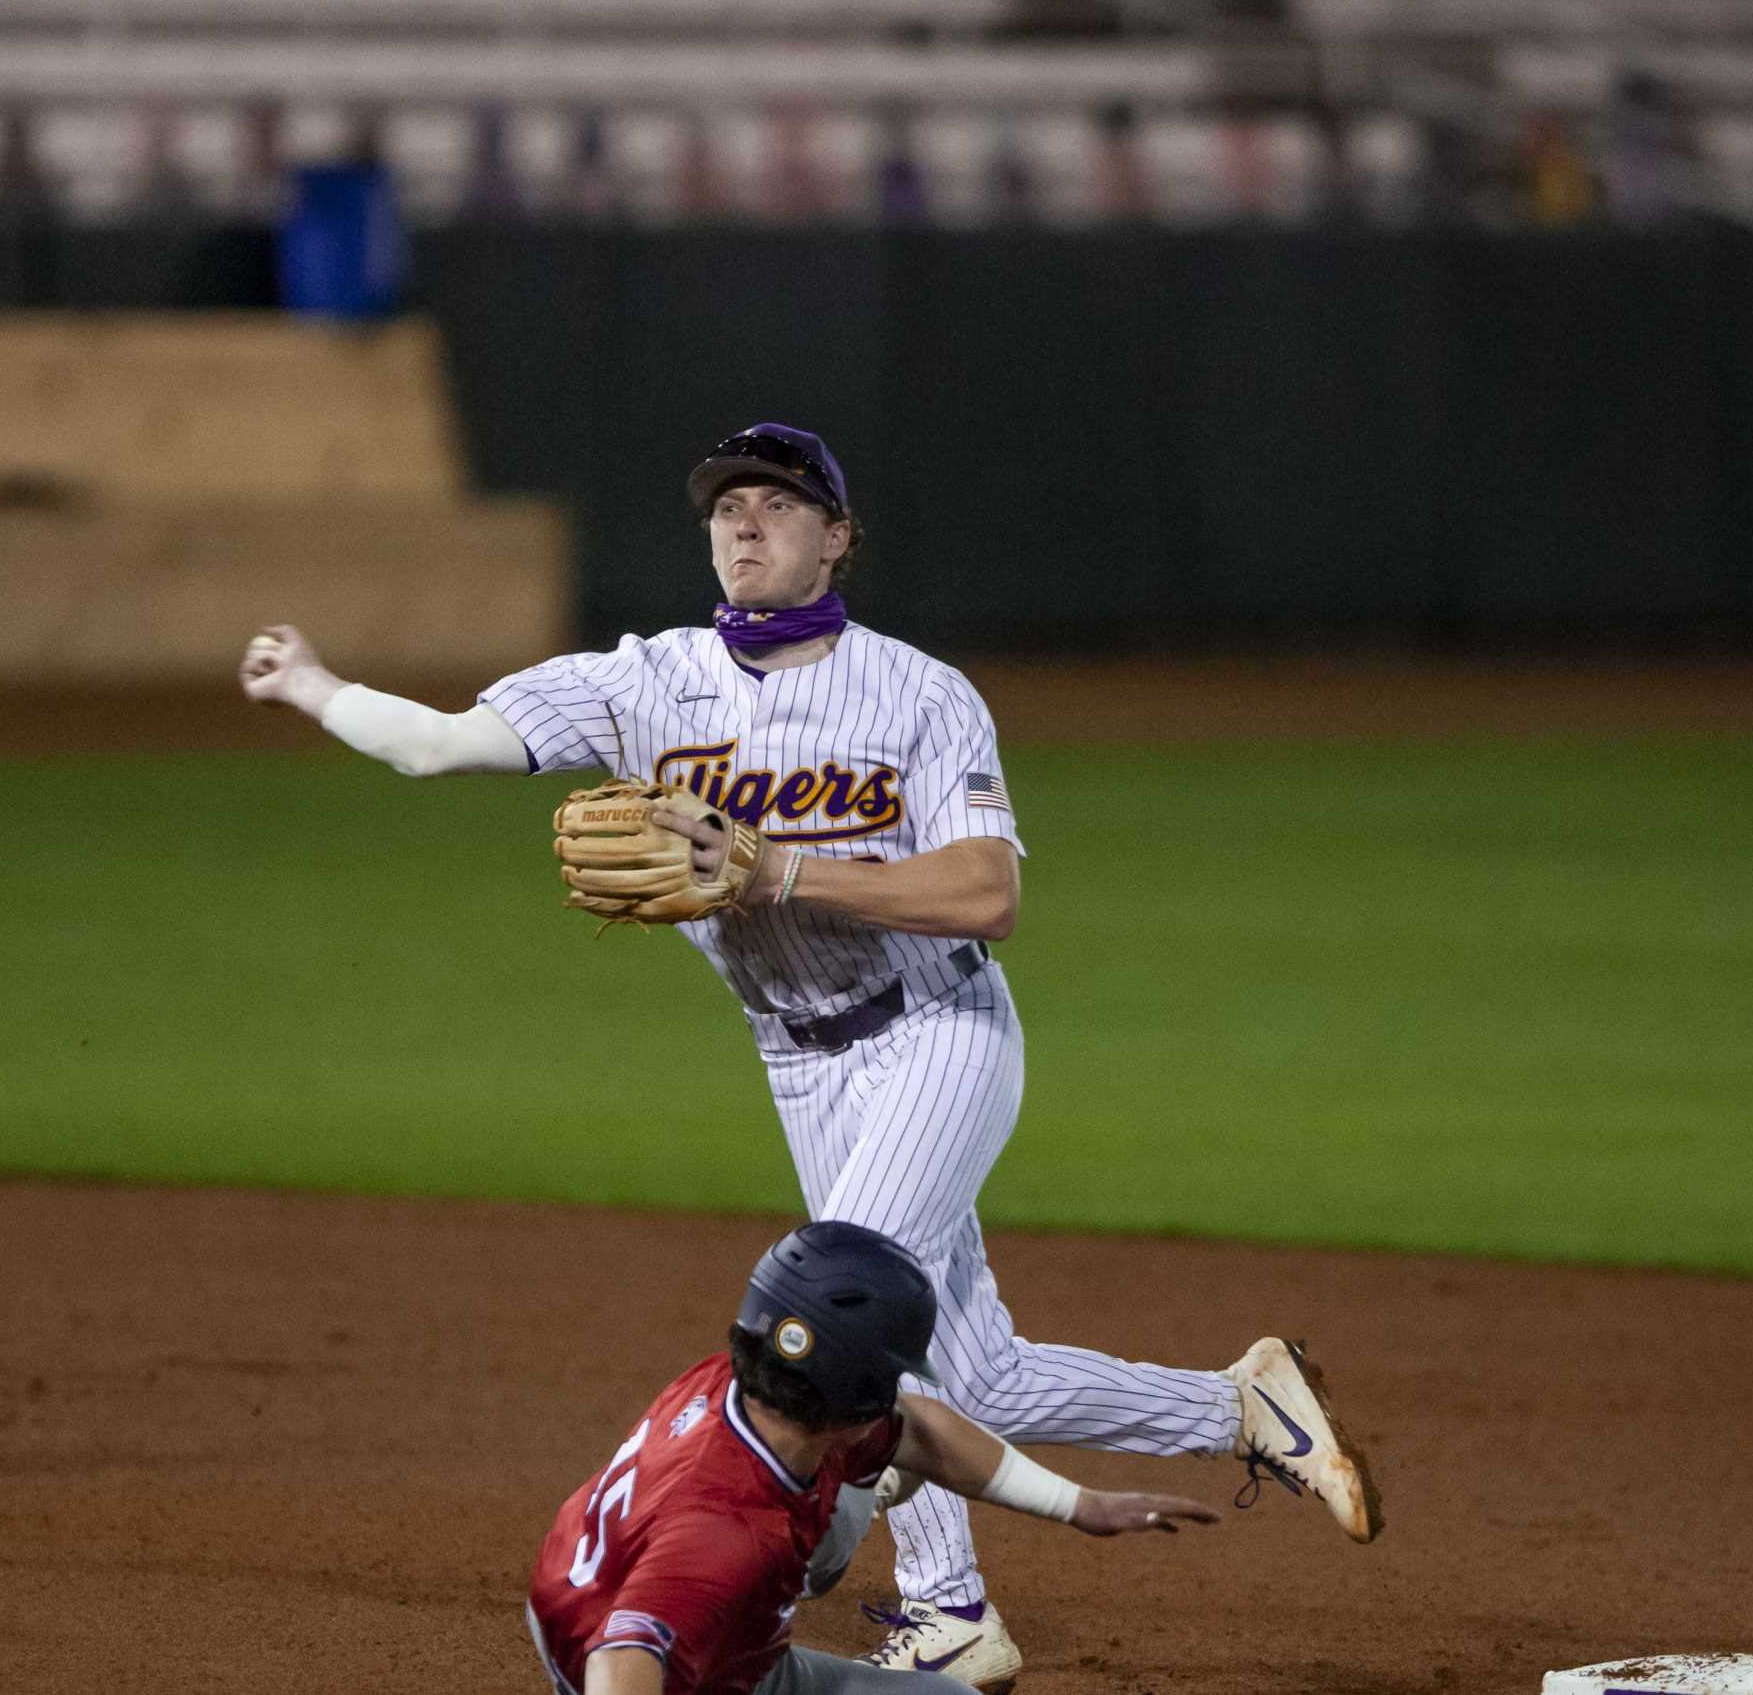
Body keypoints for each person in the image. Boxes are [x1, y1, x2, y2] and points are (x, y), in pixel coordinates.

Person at [241, 422, 1382, 1688]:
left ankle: (949, 1608)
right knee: (976, 1364)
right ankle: (1238, 1406)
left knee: (840, 1329)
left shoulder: (920, 691)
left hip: (940, 1029)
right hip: (799, 1060)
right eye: (725, 505)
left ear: (835, 536)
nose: (742, 524)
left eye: (776, 504)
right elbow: (435, 742)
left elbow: (986, 892)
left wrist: (776, 864)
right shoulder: (641, 683)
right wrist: (313, 686)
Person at [527, 1220, 1220, 1694]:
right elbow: (622, 1657)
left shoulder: (742, 1382)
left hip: (609, 1585)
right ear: (855, 1392)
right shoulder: (730, 1534)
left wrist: (1082, 1506)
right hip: (657, 1663)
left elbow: (918, 1430)